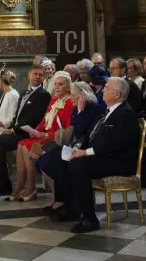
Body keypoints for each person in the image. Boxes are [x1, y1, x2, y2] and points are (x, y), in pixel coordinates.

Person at [52, 77, 142, 234]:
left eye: (106, 88)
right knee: (60, 159)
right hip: (103, 156)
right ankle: (72, 208)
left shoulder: (126, 114)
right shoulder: (108, 111)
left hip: (118, 161)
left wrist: (85, 153)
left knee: (78, 166)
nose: (103, 90)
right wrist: (79, 146)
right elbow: (90, 134)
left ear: (117, 94)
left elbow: (115, 144)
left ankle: (89, 219)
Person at [0, 67, 51, 194]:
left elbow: (33, 120)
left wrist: (12, 130)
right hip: (17, 130)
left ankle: (3, 183)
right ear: (29, 75)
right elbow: (16, 116)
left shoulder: (43, 95)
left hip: (27, 133)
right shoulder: (24, 92)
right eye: (35, 74)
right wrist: (10, 127)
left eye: (41, 75)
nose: (38, 77)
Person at [37, 82, 102, 214]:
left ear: (83, 96)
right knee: (44, 159)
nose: (71, 98)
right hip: (73, 145)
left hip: (85, 148)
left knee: (55, 161)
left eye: (73, 95)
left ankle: (67, 202)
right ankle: (60, 198)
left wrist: (80, 111)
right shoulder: (76, 109)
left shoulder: (94, 109)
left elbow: (80, 131)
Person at [9, 71, 74, 202]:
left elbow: (66, 131)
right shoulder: (54, 99)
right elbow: (44, 121)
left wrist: (43, 134)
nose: (56, 87)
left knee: (28, 146)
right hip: (45, 135)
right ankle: (21, 185)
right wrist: (35, 131)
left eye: (60, 84)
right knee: (21, 144)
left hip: (56, 139)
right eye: (55, 84)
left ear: (68, 86)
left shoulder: (70, 103)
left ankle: (31, 187)